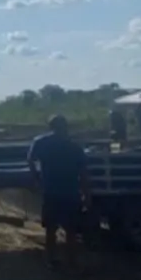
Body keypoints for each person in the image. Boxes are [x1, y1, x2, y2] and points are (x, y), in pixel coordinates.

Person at [27, 114, 91, 271]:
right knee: (71, 230)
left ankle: (51, 260)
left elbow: (30, 159)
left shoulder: (41, 142)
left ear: (51, 127)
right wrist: (86, 195)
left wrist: (36, 179)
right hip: (70, 193)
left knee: (51, 229)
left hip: (51, 191)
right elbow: (83, 173)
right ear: (65, 127)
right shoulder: (74, 147)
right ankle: (72, 262)